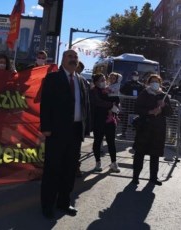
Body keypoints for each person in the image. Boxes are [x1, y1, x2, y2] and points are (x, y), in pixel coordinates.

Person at [40, 49, 90, 218]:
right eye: (70, 56)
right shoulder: (53, 78)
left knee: (69, 170)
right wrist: (46, 127)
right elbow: (46, 104)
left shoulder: (82, 81)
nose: (73, 59)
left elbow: (85, 107)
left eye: (76, 57)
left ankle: (64, 202)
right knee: (52, 170)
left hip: (75, 132)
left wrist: (86, 129)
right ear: (62, 59)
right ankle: (47, 205)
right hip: (56, 132)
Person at [132, 74, 173, 186]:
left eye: (157, 81)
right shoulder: (144, 93)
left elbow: (170, 113)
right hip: (144, 128)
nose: (155, 83)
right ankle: (135, 177)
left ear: (160, 83)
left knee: (155, 154)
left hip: (158, 129)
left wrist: (164, 106)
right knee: (139, 153)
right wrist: (149, 111)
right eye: (152, 81)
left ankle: (153, 177)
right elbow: (137, 108)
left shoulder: (163, 95)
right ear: (148, 83)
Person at [90, 73, 120, 173]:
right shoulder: (93, 91)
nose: (103, 81)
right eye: (101, 80)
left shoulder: (108, 89)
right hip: (98, 120)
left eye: (104, 79)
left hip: (110, 120)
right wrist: (111, 105)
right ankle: (98, 162)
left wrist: (116, 106)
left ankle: (114, 162)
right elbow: (98, 102)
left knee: (111, 141)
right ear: (95, 82)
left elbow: (117, 100)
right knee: (97, 141)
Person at [119, 71, 145, 137]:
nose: (135, 77)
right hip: (128, 103)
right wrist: (127, 94)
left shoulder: (140, 85)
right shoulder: (127, 83)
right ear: (132, 76)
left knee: (137, 117)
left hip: (137, 104)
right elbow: (121, 90)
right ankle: (124, 132)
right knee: (126, 118)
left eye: (136, 76)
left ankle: (135, 132)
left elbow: (144, 93)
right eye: (134, 75)